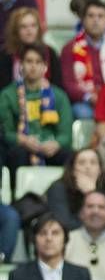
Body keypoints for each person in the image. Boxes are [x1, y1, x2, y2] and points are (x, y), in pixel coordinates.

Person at [0, 43, 72, 190]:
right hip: (22, 148)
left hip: (50, 148)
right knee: (16, 154)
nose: (33, 66)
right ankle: (17, 198)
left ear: (45, 67)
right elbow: (5, 133)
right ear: (21, 65)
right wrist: (23, 140)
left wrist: (56, 144)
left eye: (38, 62)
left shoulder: (58, 95)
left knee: (70, 157)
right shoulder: (7, 95)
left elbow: (66, 134)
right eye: (29, 61)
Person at [4, 213, 96, 280]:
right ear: (34, 240)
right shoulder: (19, 276)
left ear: (65, 240)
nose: (49, 238)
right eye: (43, 233)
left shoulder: (81, 275)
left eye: (55, 233)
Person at [46, 146, 105, 231]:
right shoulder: (58, 188)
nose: (88, 167)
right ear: (73, 170)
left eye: (93, 163)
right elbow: (64, 224)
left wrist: (93, 193)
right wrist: (90, 195)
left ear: (99, 170)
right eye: (82, 163)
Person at [0, 6, 61, 87]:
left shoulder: (50, 53)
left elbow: (58, 87)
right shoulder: (6, 55)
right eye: (23, 26)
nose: (29, 30)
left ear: (38, 28)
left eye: (33, 25)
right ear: (16, 30)